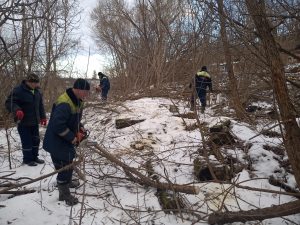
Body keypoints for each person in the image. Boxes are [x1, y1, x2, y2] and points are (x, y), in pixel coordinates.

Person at [43, 78, 90, 206]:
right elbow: (58, 125)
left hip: (65, 140)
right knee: (64, 166)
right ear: (78, 89)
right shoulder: (64, 103)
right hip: (56, 141)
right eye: (86, 92)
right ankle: (64, 194)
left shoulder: (77, 101)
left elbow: (73, 119)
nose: (87, 95)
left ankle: (67, 182)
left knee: (69, 161)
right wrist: (73, 138)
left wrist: (80, 127)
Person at [5, 73, 47, 166]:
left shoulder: (37, 92)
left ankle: (35, 157)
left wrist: (43, 117)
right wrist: (17, 110)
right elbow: (9, 103)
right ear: (28, 82)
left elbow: (40, 105)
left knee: (36, 140)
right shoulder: (18, 90)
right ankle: (28, 160)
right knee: (27, 141)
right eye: (33, 83)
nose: (35, 85)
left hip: (34, 121)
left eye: (37, 83)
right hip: (23, 122)